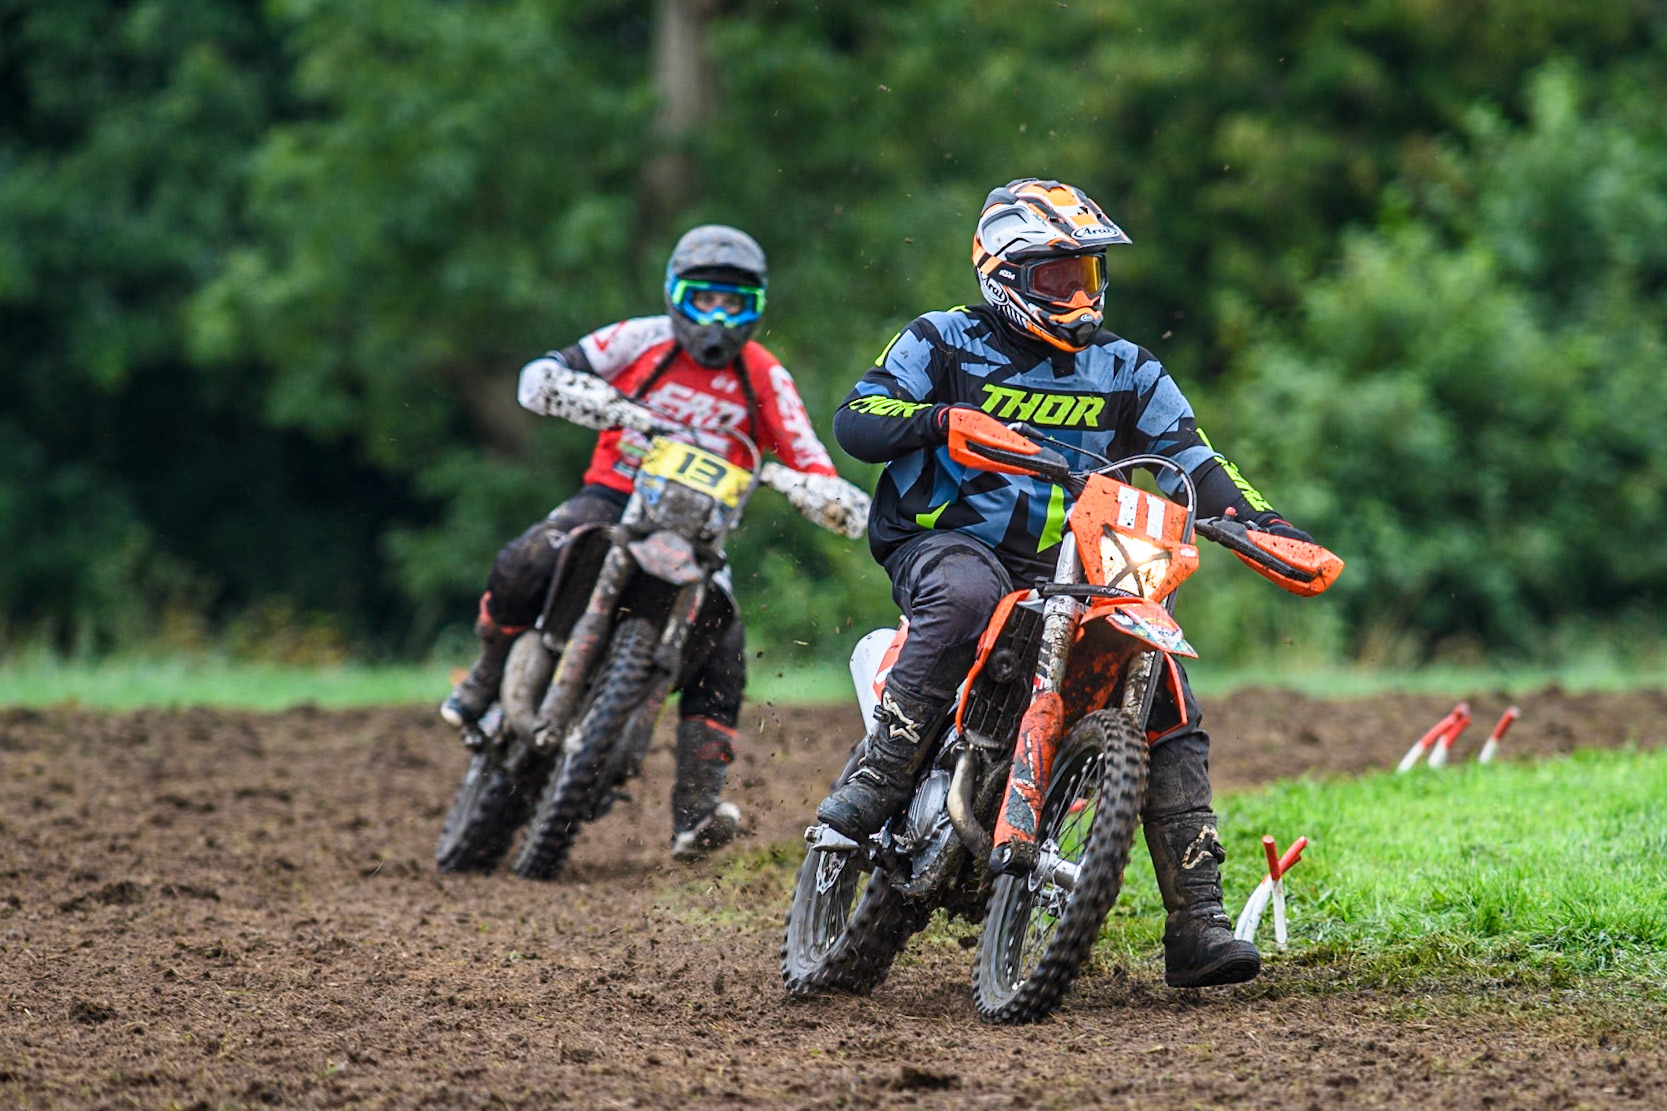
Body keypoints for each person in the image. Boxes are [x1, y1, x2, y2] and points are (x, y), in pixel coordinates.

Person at [815, 178, 1320, 988]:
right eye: (1056, 276)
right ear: (1002, 275)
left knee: (1164, 687)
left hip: (1082, 560)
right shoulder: (940, 340)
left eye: (1086, 275)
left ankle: (1197, 918)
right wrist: (940, 419)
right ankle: (882, 770)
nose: (1078, 294)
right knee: (966, 598)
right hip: (949, 541)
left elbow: (1193, 457)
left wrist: (1265, 522)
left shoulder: (1128, 367)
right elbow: (857, 417)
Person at [442, 224, 844, 863]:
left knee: (725, 652)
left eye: (734, 304)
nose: (717, 319)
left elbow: (809, 456)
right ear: (674, 297)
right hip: (614, 495)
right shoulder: (640, 340)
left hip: (702, 531)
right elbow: (545, 374)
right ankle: (489, 671)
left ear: (757, 308)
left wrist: (822, 493)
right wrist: (590, 398)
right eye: (703, 300)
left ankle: (695, 812)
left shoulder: (764, 376)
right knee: (528, 558)